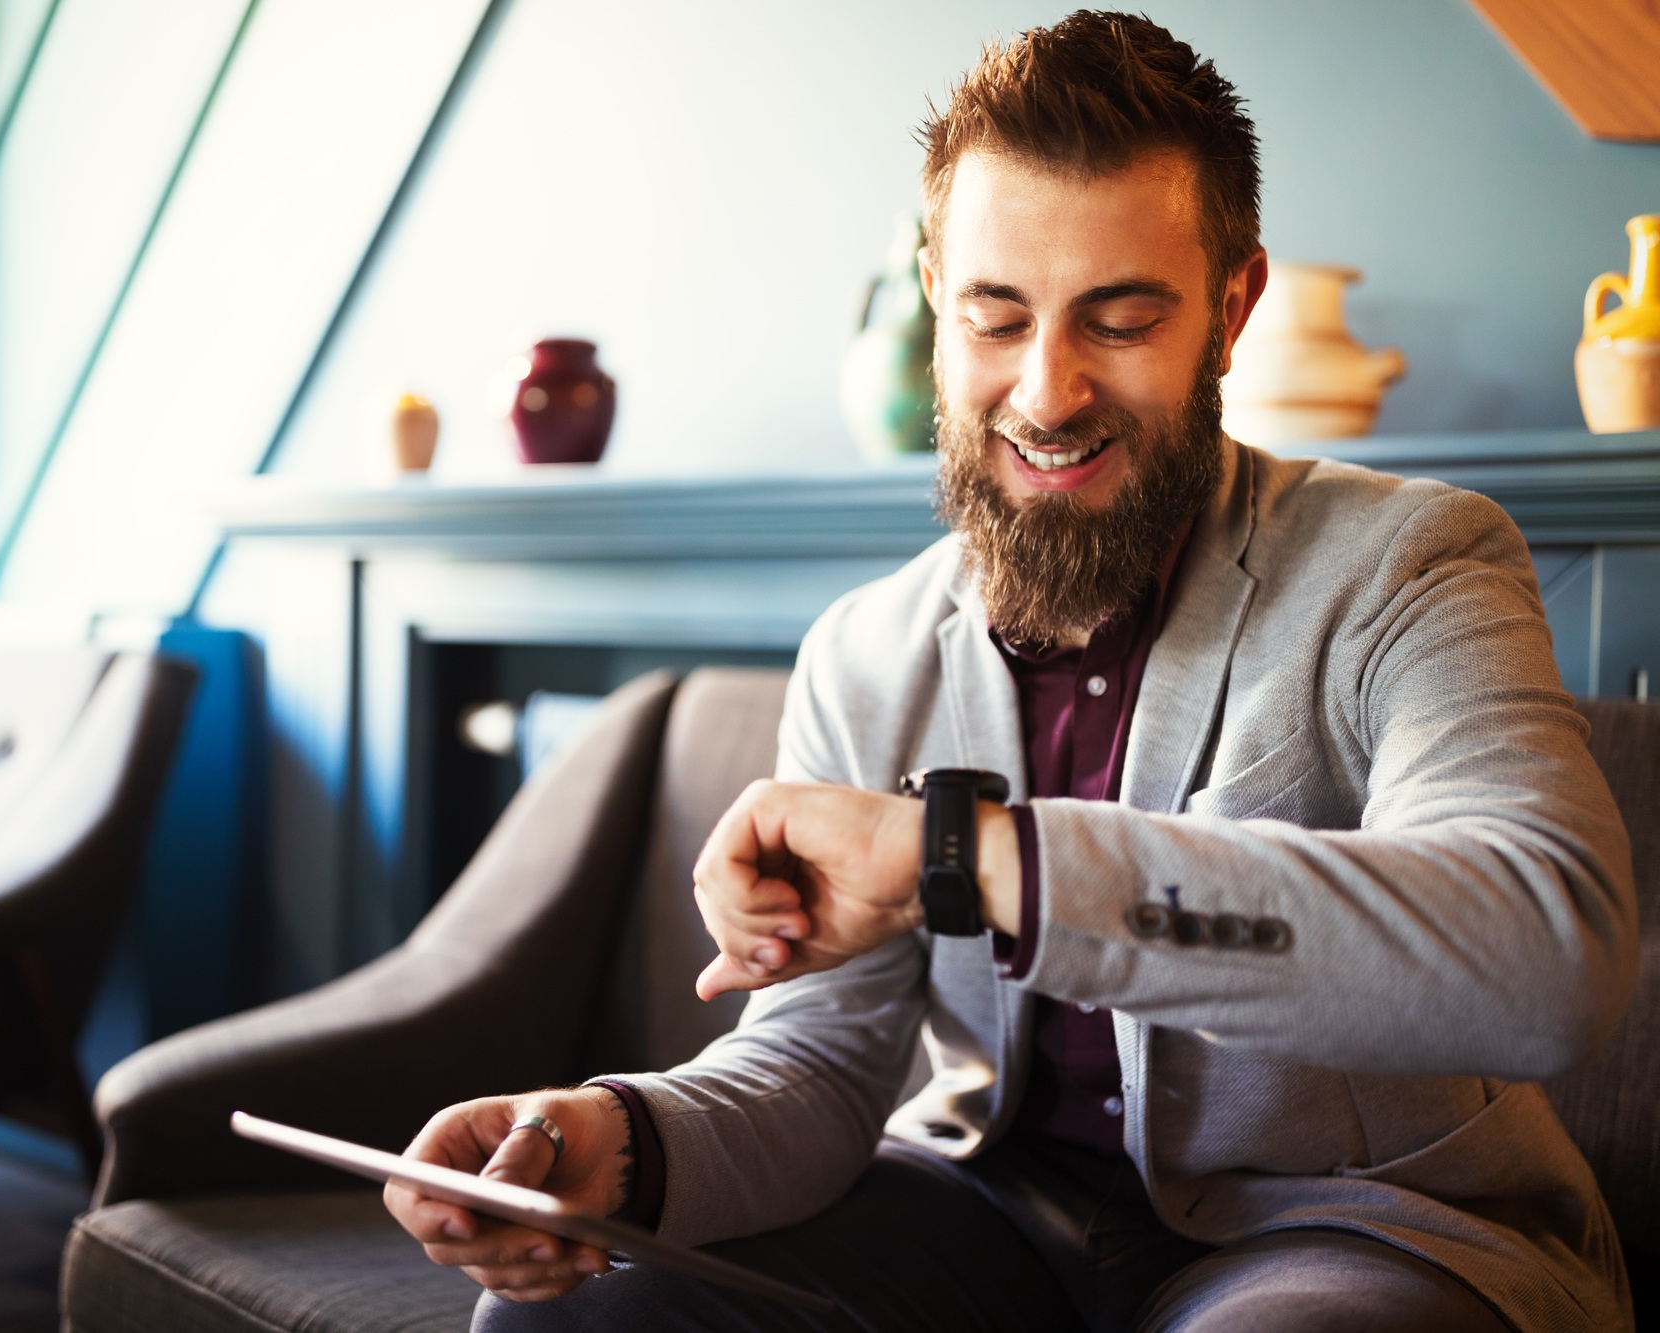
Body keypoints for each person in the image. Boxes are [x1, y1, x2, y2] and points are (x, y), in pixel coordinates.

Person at [382, 13, 1638, 1331]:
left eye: (1122, 316)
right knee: (561, 1321)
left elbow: (1546, 949)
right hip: (989, 1214)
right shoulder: (864, 652)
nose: (1047, 392)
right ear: (935, 291)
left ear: (1233, 304)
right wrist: (619, 1144)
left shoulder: (1413, 561)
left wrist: (971, 855)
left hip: (1355, 1230)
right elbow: (819, 1062)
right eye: (996, 315)